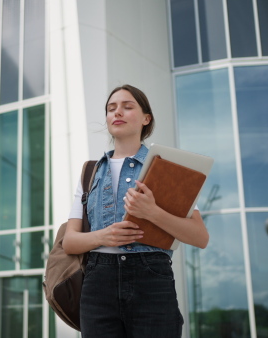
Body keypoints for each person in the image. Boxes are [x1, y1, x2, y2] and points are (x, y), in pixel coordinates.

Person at [63, 84, 209, 337]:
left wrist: (152, 212)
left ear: (146, 118)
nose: (117, 112)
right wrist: (102, 236)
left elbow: (200, 237)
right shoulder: (90, 172)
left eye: (127, 107)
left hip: (152, 278)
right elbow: (70, 242)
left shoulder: (167, 169)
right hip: (98, 282)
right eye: (111, 108)